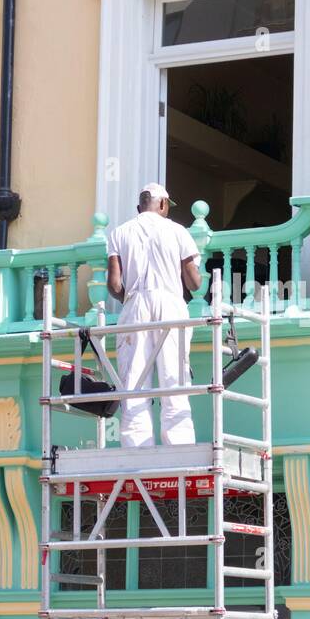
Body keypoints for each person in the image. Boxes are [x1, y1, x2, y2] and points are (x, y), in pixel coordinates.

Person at [106, 183, 202, 447]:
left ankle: (137, 446)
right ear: (162, 205)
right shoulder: (178, 231)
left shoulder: (120, 232)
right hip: (170, 304)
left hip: (136, 305)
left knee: (135, 380)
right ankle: (179, 444)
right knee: (174, 377)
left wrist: (131, 296)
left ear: (140, 207)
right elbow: (194, 283)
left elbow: (114, 285)